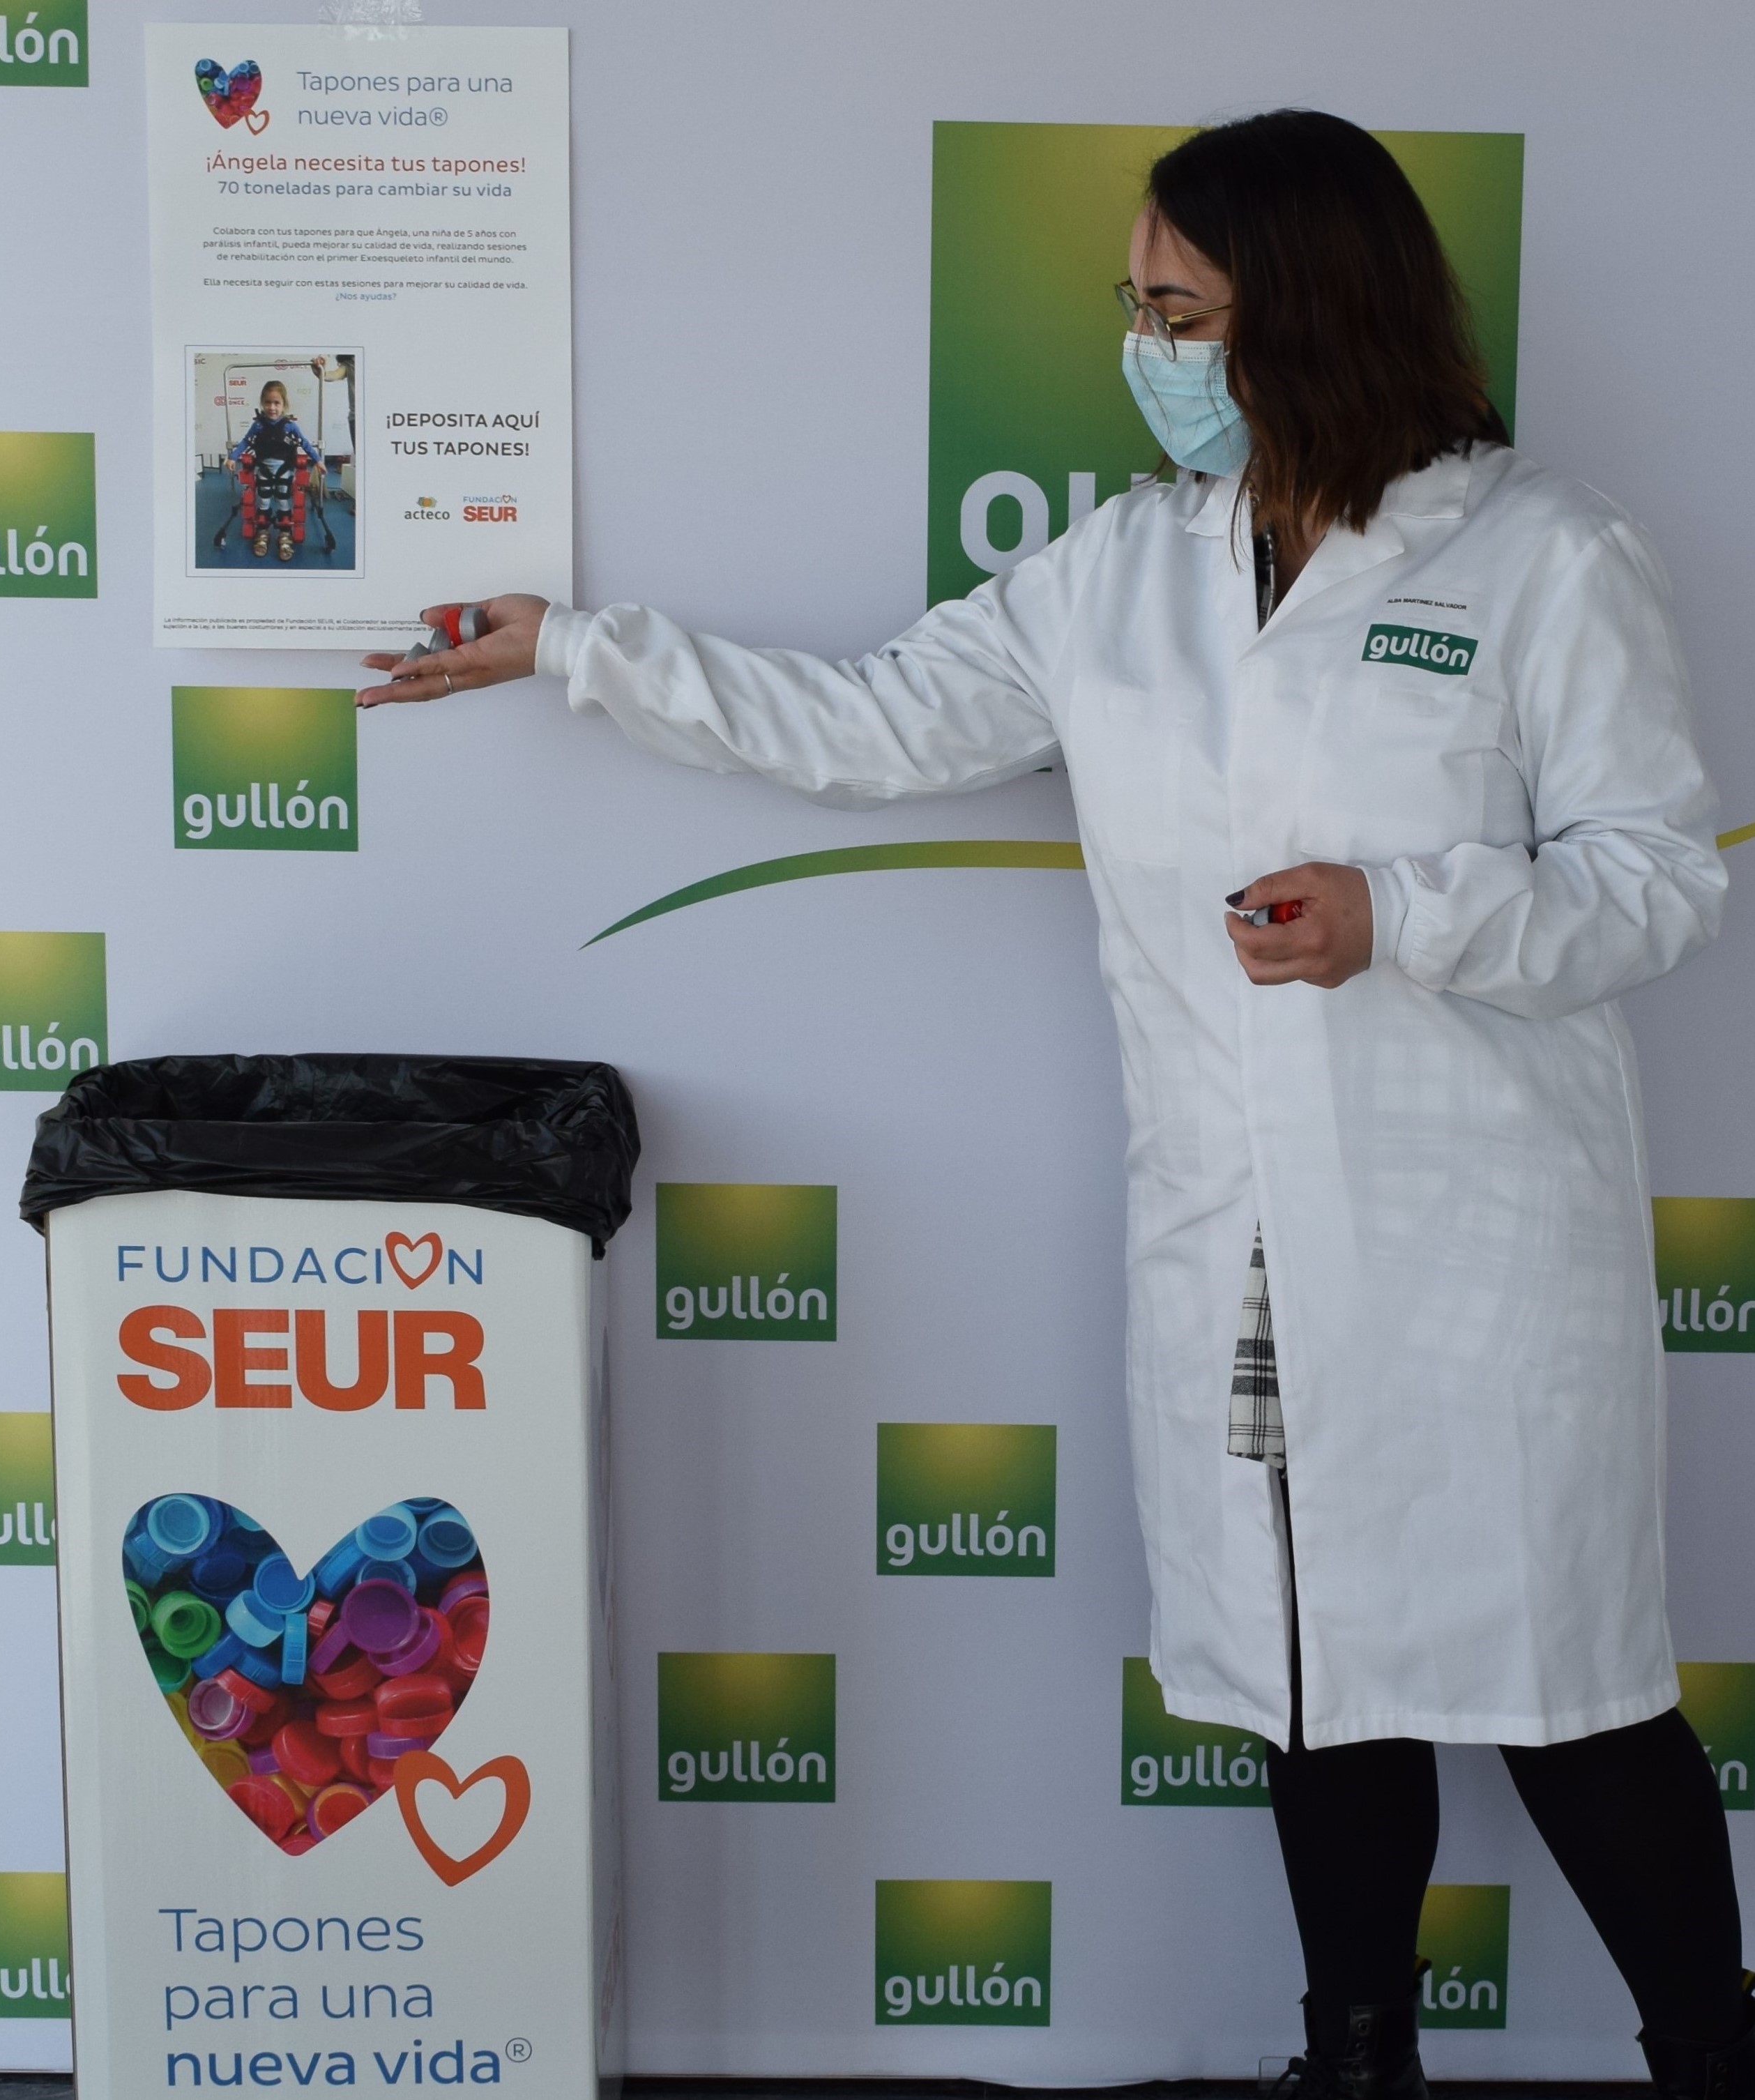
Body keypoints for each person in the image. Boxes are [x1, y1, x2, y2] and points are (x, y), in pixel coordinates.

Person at [356, 109, 1746, 2100]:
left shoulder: (1542, 554)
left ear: (1310, 311)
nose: (1144, 344)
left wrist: (1402, 913)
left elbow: (1654, 878)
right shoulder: (1124, 569)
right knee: (1307, 1674)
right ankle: (1354, 2061)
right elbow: (869, 718)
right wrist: (577, 652)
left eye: (1180, 310)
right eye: (1135, 303)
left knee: (1564, 1681)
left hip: (1468, 1249)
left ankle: (1711, 2057)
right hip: (1234, 1238)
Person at [230, 379, 322, 559]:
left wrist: (318, 460)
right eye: (268, 403)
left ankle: (285, 533)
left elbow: (304, 443)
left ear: (284, 404)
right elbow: (246, 442)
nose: (272, 407)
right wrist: (233, 457)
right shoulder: (258, 425)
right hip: (264, 470)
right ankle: (263, 531)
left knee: (283, 501)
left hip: (284, 471)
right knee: (263, 501)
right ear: (262, 403)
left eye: (277, 403)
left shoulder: (289, 426)